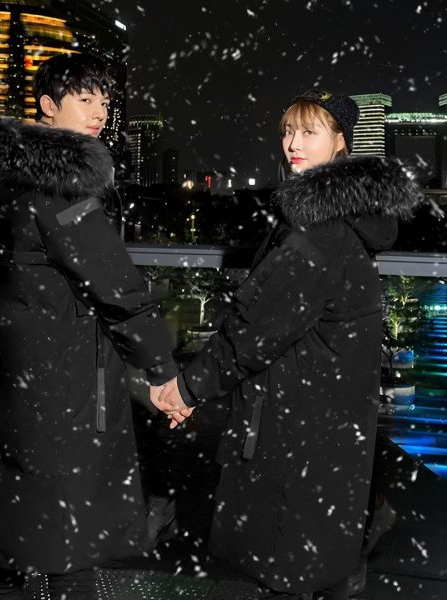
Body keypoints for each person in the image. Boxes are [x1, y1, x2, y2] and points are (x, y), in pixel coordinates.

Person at [0, 53, 177, 600]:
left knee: (4, 545)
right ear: (47, 105)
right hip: (56, 388)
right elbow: (117, 287)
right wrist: (161, 368)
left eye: (105, 102)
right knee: (70, 549)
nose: (100, 113)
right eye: (84, 100)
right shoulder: (61, 185)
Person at [155, 89, 422, 599]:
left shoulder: (319, 228)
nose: (293, 143)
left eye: (309, 132)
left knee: (285, 566)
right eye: (288, 131)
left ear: (340, 142)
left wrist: (187, 389)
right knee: (306, 564)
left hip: (297, 426)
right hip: (323, 426)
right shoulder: (337, 215)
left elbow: (257, 327)